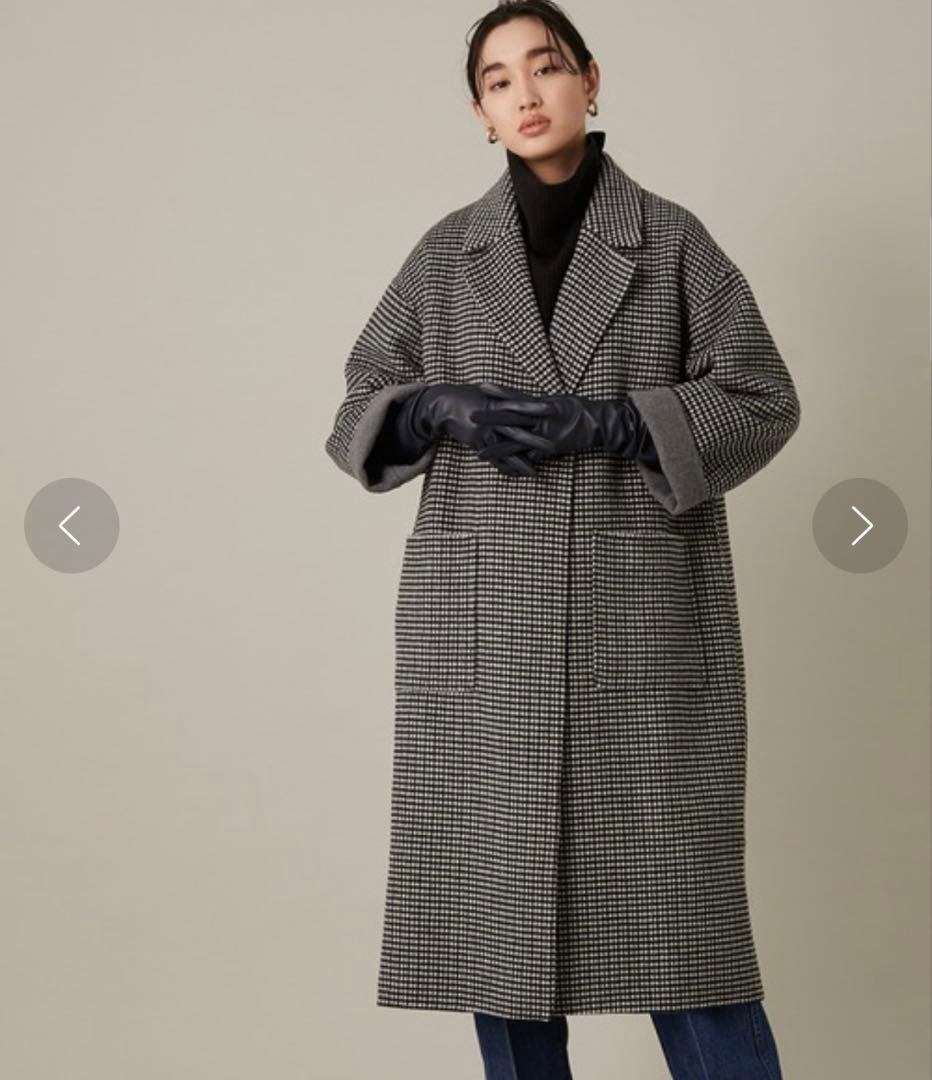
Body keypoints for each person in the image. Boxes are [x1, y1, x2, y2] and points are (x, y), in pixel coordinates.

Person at [324, 2, 799, 1077]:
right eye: (498, 81)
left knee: (687, 947)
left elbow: (763, 398)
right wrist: (429, 407)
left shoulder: (671, 240)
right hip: (483, 641)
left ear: (590, 78)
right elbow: (355, 405)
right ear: (481, 114)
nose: (526, 93)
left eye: (544, 67)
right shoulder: (445, 255)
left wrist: (622, 422)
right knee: (502, 953)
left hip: (641, 638)